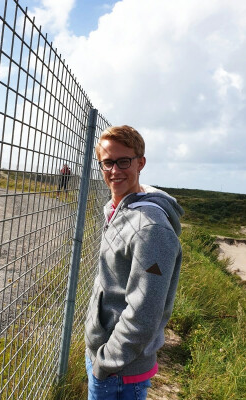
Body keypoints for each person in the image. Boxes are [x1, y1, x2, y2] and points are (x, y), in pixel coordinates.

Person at [84, 125, 184, 400]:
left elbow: (145, 311)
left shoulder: (150, 227)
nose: (115, 170)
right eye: (107, 163)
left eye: (124, 161)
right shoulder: (119, 209)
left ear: (141, 162)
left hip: (120, 371)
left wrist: (106, 362)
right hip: (104, 356)